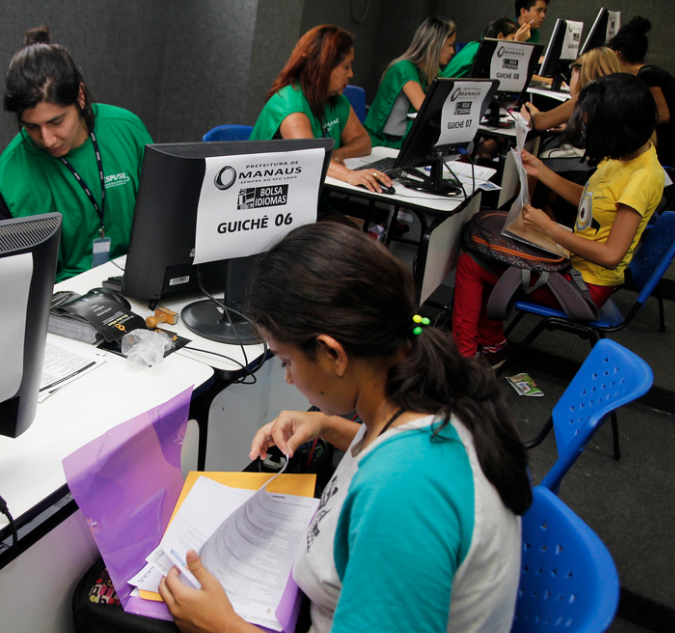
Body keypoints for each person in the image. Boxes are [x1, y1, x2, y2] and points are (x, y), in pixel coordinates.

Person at [158, 222, 531, 633]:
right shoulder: (432, 391)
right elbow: (392, 449)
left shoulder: (403, 494)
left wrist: (223, 627)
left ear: (333, 354)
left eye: (286, 361)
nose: (288, 378)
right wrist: (327, 425)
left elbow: (400, 486)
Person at [452, 73, 665, 365]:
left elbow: (611, 256)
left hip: (586, 286)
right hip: (573, 265)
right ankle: (491, 345)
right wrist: (543, 172)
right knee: (490, 253)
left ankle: (462, 362)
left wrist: (549, 228)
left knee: (472, 264)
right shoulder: (625, 156)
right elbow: (592, 202)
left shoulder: (642, 178)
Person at [0, 26, 152, 281]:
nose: (47, 139)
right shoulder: (7, 184)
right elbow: (9, 281)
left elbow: (162, 219)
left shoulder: (127, 130)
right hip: (57, 297)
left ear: (80, 97)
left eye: (56, 122)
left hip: (134, 277)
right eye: (31, 127)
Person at [250, 25, 390, 193]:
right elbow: (310, 159)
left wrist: (338, 154)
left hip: (307, 194)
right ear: (324, 66)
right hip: (269, 199)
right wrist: (348, 175)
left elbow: (363, 141)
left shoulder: (336, 100)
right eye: (346, 66)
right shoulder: (290, 105)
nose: (351, 74)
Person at [363, 16, 457, 149]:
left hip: (405, 145)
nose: (453, 51)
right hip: (382, 145)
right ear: (435, 44)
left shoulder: (434, 73)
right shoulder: (403, 68)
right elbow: (423, 106)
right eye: (450, 45)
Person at [607, 16, 675, 167]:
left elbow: (663, 115)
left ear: (617, 53)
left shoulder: (647, 75)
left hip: (667, 148)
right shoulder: (647, 73)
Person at [520, 47, 621, 133]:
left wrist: (531, 114)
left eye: (572, 74)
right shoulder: (617, 92)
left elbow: (539, 123)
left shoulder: (588, 95)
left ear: (581, 73)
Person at [441, 18, 526, 78]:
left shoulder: (478, 46)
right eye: (512, 38)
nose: (514, 41)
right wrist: (517, 43)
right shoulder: (481, 51)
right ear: (500, 36)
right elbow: (509, 75)